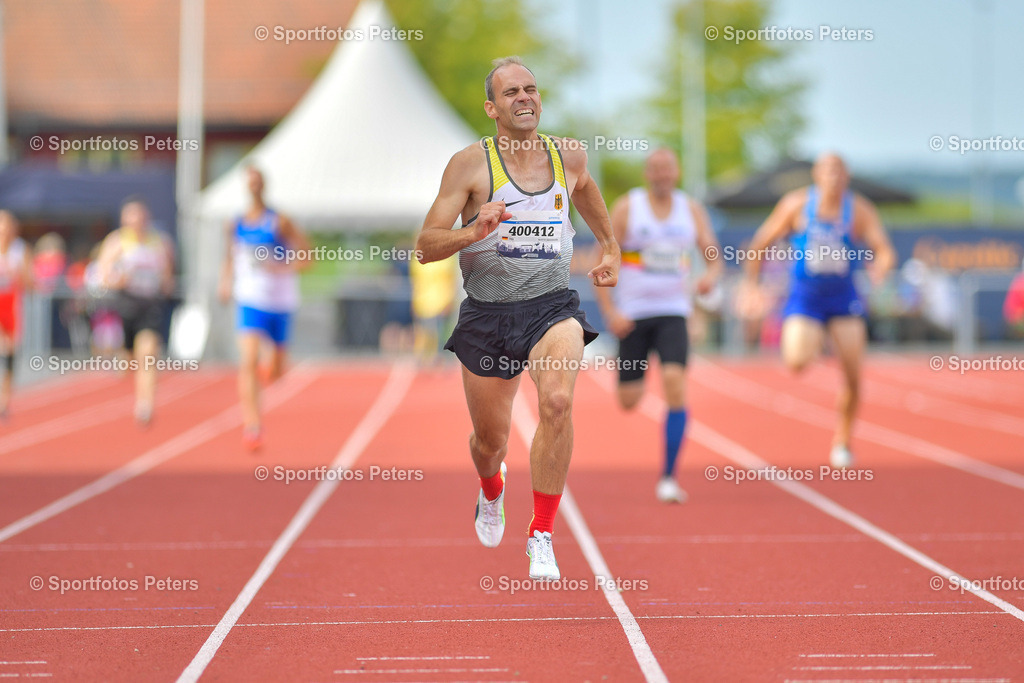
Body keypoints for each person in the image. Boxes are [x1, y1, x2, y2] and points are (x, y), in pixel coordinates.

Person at [416, 56, 619, 580]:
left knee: (556, 402)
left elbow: (587, 189)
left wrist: (610, 246)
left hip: (551, 306)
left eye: (531, 89)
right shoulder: (469, 165)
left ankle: (542, 533)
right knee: (491, 442)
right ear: (492, 107)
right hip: (487, 314)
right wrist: (472, 232)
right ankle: (491, 488)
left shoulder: (567, 155)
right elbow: (424, 246)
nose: (525, 98)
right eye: (512, 93)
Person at [742, 153, 895, 468]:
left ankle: (842, 440)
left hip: (843, 297)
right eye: (827, 171)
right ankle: (816, 341)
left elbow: (884, 249)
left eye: (839, 171)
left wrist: (881, 268)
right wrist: (753, 287)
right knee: (796, 362)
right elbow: (759, 244)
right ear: (816, 175)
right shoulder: (796, 205)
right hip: (806, 297)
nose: (833, 177)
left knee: (853, 373)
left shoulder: (859, 209)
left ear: (847, 176)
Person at [593, 149, 721, 503]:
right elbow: (602, 256)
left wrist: (710, 274)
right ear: (647, 173)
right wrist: (610, 311)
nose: (663, 175)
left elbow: (710, 251)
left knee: (675, 383)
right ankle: (637, 375)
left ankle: (668, 476)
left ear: (676, 172)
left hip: (673, 311)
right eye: (656, 169)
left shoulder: (689, 209)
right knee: (629, 401)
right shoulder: (627, 207)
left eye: (669, 169)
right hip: (632, 314)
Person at [218, 166, 311, 451]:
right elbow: (230, 257)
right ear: (246, 188)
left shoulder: (280, 221)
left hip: (280, 302)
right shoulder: (235, 224)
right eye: (250, 183)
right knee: (247, 359)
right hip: (250, 300)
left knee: (277, 371)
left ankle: (267, 372)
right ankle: (253, 426)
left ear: (264, 186)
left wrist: (281, 267)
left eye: (258, 182)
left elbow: (308, 257)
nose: (254, 187)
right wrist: (225, 281)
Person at [96, 197, 176, 425]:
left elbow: (168, 275)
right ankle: (124, 359)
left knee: (148, 354)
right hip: (125, 304)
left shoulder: (160, 242)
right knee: (129, 361)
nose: (137, 221)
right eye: (132, 216)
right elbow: (102, 275)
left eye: (140, 216)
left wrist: (165, 284)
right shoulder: (117, 242)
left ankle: (145, 404)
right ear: (124, 220)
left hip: (150, 305)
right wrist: (117, 280)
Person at [0, 211, 34, 418]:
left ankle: (5, 399)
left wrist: (20, 275)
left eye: (7, 226)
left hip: (12, 305)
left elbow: (31, 284)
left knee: (10, 353)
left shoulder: (20, 250)